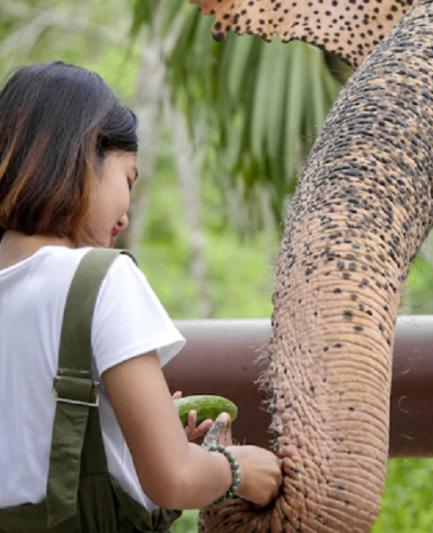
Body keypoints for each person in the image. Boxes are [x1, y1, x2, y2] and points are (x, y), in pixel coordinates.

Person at [0, 62, 282, 531]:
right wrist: (238, 470)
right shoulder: (101, 279)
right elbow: (172, 479)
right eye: (129, 179)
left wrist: (137, 445)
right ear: (84, 151)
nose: (126, 215)